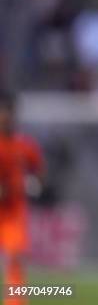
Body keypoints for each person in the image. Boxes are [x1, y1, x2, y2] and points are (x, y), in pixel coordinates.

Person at [0, 91, 45, 305]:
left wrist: (33, 184)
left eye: (8, 111)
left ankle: (15, 302)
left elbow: (38, 173)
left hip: (12, 211)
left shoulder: (25, 145)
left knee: (15, 256)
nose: (5, 116)